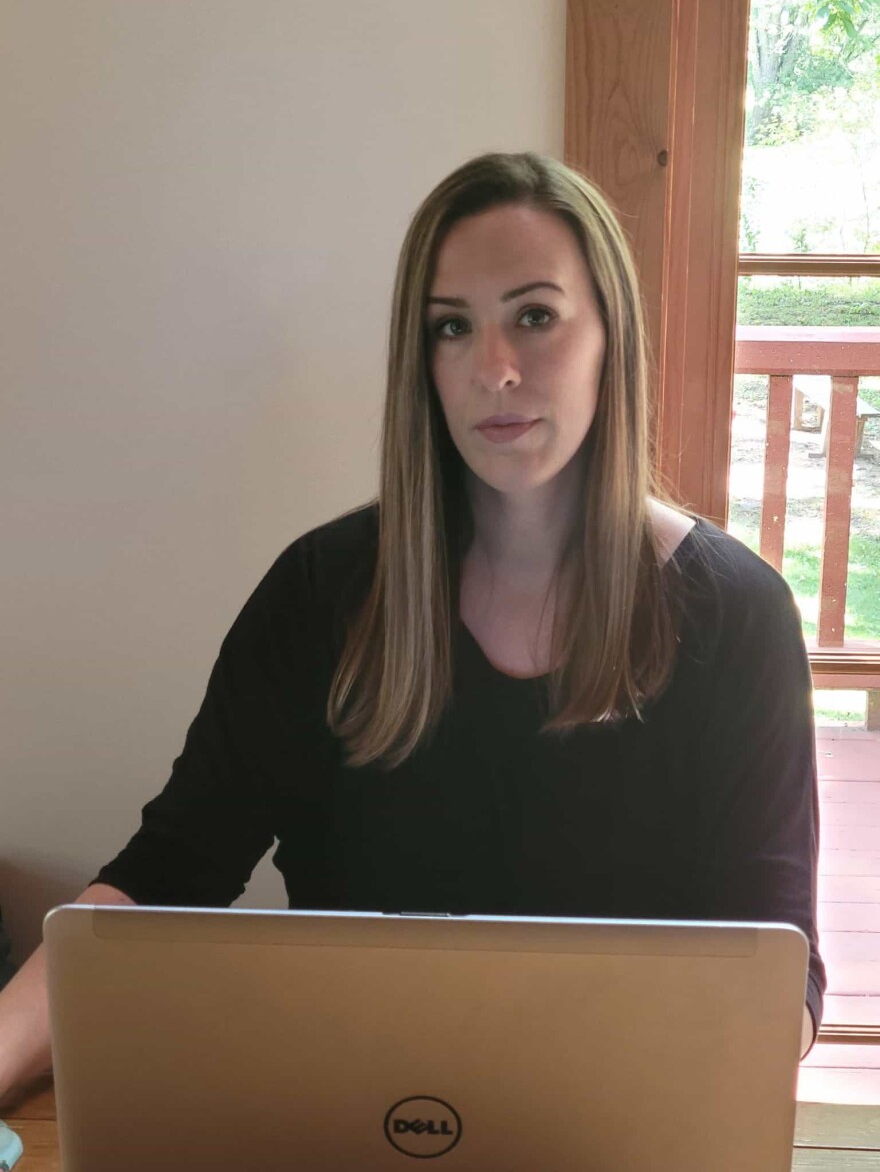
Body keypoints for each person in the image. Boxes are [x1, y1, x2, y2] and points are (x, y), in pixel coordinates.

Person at [0, 151, 825, 1107]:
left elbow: (779, 971)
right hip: (354, 1122)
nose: (494, 369)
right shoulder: (321, 592)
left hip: (617, 1133)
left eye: (535, 315)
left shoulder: (738, 616)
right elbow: (161, 877)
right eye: (451, 328)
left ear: (613, 336)